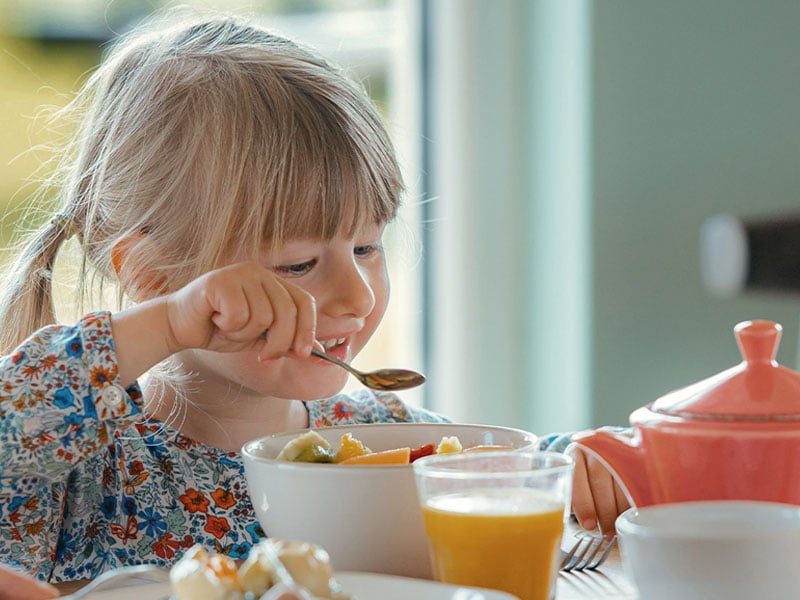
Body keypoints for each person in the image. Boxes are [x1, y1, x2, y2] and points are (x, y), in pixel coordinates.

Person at [0, 9, 455, 583]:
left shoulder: (376, 439)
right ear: (154, 274)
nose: (357, 297)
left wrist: (584, 461)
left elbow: (506, 470)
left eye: (367, 247)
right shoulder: (88, 461)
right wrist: (164, 323)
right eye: (299, 263)